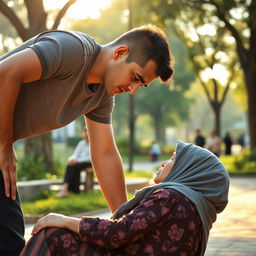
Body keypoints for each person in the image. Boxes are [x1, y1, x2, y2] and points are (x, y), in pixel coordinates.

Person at [0, 24, 174, 254]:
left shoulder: (101, 96)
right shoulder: (73, 50)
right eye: (135, 77)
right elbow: (7, 71)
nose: (132, 90)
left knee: (10, 244)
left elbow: (104, 153)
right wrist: (4, 144)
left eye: (139, 86)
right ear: (120, 53)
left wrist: (123, 226)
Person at [20, 141, 230, 256]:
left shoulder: (171, 197)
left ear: (189, 169)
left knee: (52, 234)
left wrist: (64, 220)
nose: (164, 163)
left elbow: (117, 233)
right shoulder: (198, 209)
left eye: (173, 159)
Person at [56, 127, 92, 198]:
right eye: (84, 133)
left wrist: (77, 160)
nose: (85, 135)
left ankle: (65, 189)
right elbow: (75, 154)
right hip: (79, 163)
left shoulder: (93, 144)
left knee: (74, 166)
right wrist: (71, 158)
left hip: (89, 162)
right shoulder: (81, 143)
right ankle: (74, 190)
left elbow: (90, 158)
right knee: (71, 165)